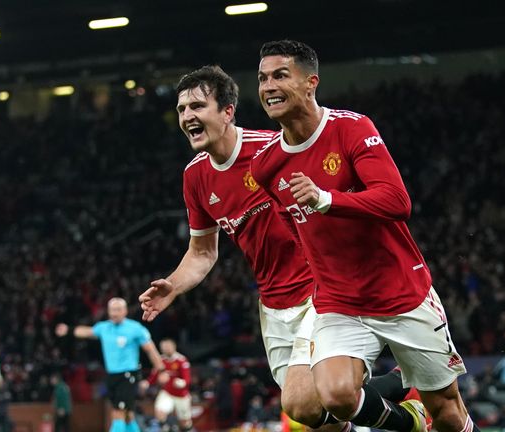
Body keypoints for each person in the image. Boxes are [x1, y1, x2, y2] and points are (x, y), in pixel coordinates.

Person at [139, 65, 410, 431]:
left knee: (300, 401)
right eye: (181, 109)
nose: (187, 116)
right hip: (273, 306)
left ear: (227, 111)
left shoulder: (272, 151)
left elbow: (333, 202)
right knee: (315, 418)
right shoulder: (195, 176)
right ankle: (400, 387)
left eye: (197, 106)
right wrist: (174, 284)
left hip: (321, 292)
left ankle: (406, 405)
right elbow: (203, 252)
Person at [250, 39, 474, 432]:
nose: (268, 86)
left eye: (280, 75)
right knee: (335, 396)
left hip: (401, 292)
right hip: (339, 301)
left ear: (310, 82)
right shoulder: (267, 164)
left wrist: (326, 199)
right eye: (263, 78)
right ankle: (407, 422)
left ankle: (426, 414)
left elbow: (397, 201)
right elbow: (294, 226)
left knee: (449, 415)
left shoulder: (352, 128)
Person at [55, 297, 165, 432]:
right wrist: (68, 330)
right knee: (128, 415)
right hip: (112, 375)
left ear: (125, 311)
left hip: (128, 375)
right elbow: (87, 332)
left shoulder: (135, 329)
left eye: (118, 310)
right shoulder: (104, 327)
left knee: (117, 413)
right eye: (112, 310)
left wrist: (161, 368)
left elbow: (150, 349)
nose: (115, 313)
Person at [148, 339, 193, 431]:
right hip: (167, 393)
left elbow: (187, 379)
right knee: (160, 412)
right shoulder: (160, 360)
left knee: (184, 423)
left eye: (168, 347)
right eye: (163, 347)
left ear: (174, 347)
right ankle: (165, 429)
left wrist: (181, 383)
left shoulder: (181, 360)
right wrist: (148, 383)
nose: (166, 349)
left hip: (181, 395)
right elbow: (154, 376)